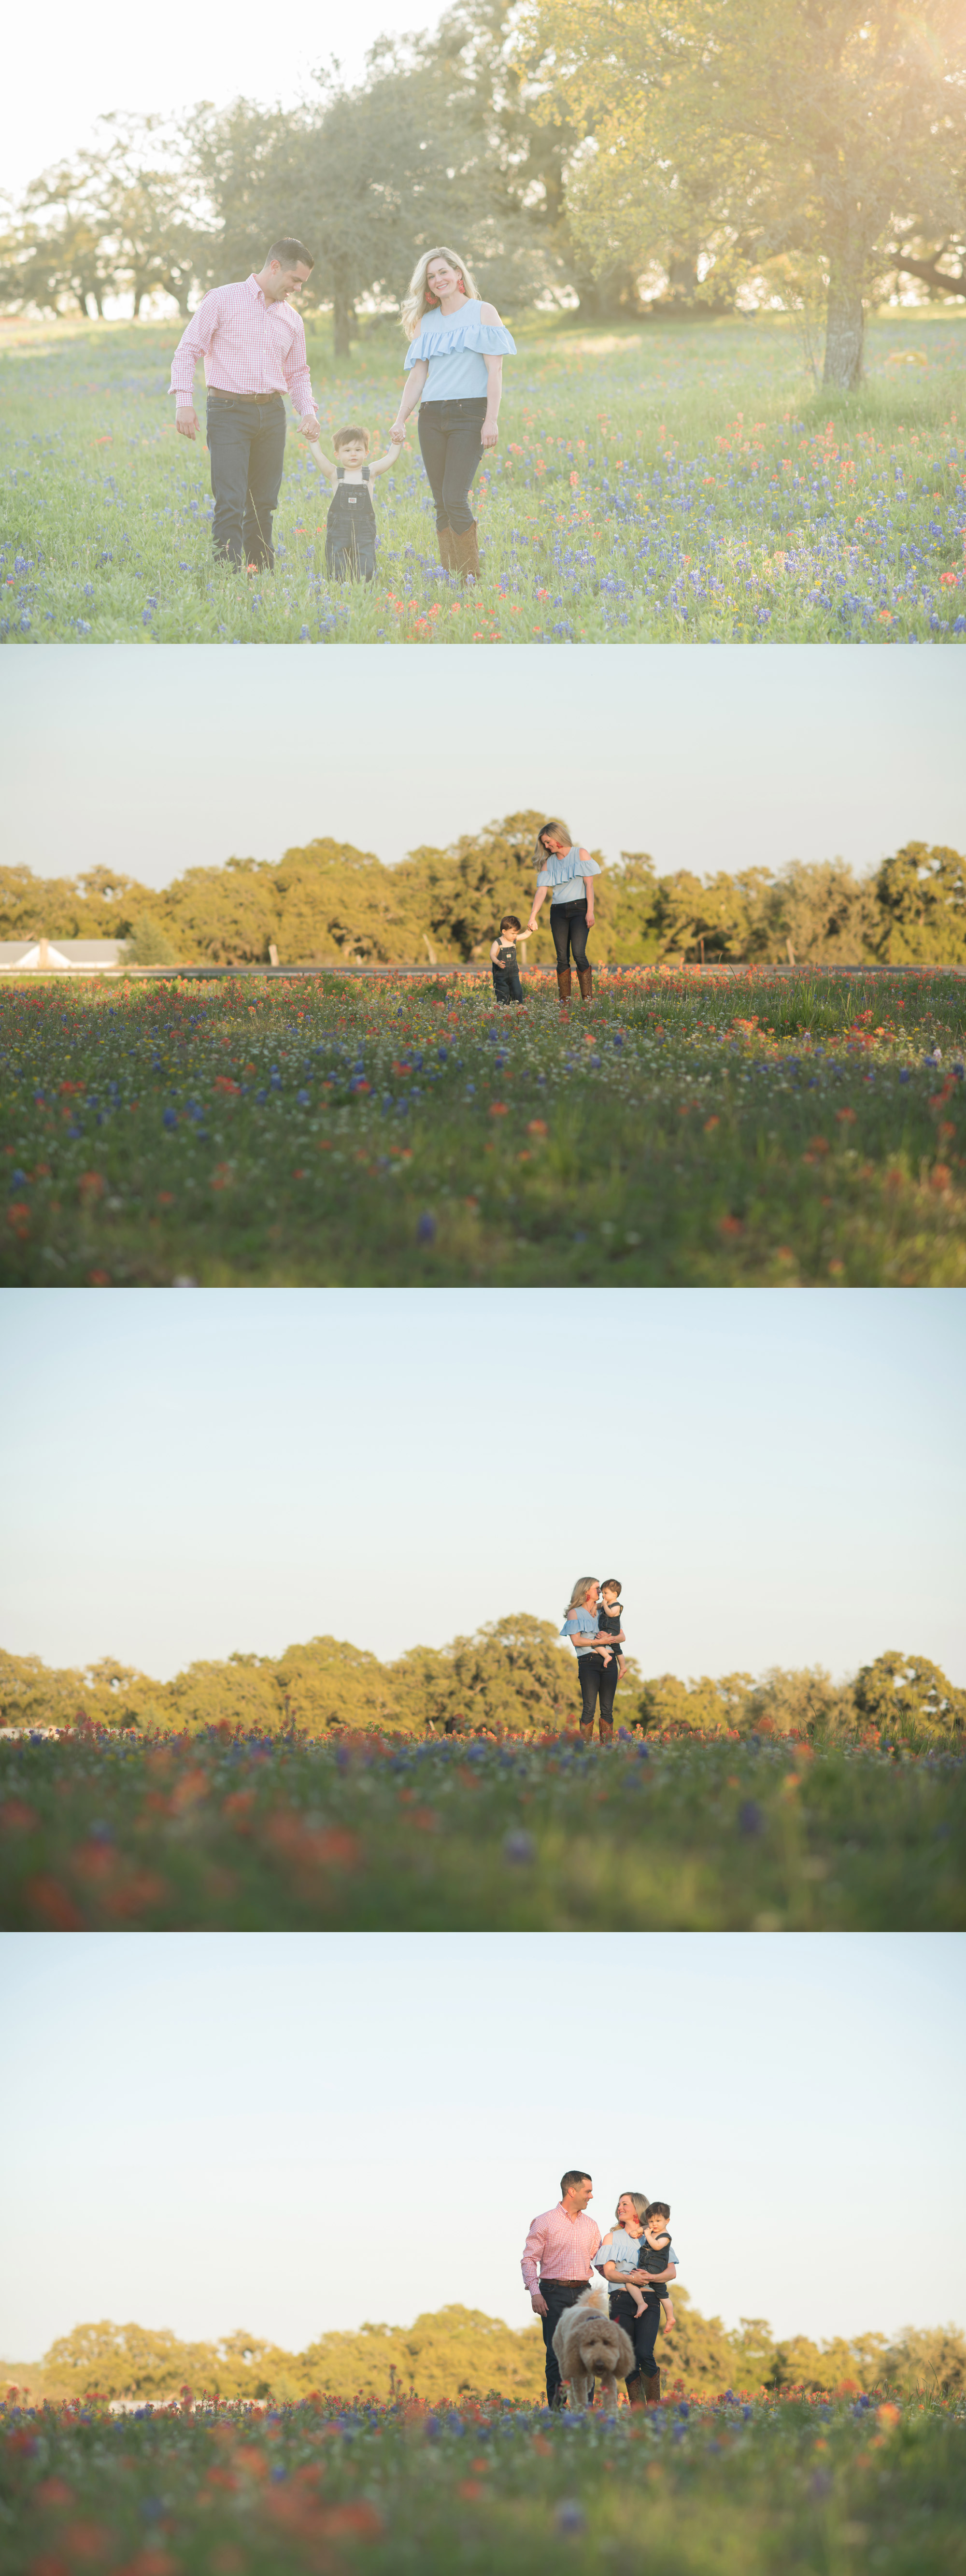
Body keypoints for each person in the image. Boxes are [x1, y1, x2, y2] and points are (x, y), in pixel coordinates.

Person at [169, 240, 319, 571]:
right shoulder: (222, 299)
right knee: (231, 501)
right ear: (276, 266)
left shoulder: (292, 320)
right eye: (296, 280)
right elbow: (187, 350)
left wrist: (307, 410)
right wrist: (184, 402)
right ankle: (227, 575)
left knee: (263, 503)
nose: (297, 288)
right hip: (228, 412)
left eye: (302, 284)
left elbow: (298, 372)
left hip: (272, 414)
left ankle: (260, 572)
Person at [390, 246, 516, 584]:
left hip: (470, 414)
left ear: (459, 274)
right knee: (440, 502)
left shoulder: (483, 312)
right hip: (432, 416)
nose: (438, 280)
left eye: (444, 272)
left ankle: (470, 578)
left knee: (455, 497)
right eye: (431, 277)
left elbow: (496, 370)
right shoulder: (425, 324)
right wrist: (400, 418)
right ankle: (450, 575)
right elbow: (417, 377)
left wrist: (492, 419)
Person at [521, 2171, 602, 2410]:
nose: (592, 2196)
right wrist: (535, 2293)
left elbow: (600, 2262)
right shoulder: (544, 2221)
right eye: (588, 2191)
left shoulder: (592, 2225)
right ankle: (557, 2412)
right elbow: (529, 2260)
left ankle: (585, 2410)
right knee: (557, 2354)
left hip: (584, 2294)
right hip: (552, 2293)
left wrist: (627, 2277)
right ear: (572, 2191)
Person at [595, 2192, 679, 2407]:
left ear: (638, 2208)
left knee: (644, 2352)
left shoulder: (655, 2235)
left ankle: (654, 2407)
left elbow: (671, 2273)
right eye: (619, 2204)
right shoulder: (611, 2238)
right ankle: (638, 2410)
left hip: (650, 2300)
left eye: (625, 2204)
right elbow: (609, 2272)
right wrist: (631, 2278)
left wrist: (651, 2278)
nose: (620, 2207)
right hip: (620, 2299)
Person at [309, 424, 405, 582]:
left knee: (366, 562)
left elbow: (390, 458)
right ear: (337, 454)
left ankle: (365, 590)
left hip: (364, 532)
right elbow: (319, 456)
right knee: (336, 560)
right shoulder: (335, 474)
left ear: (366, 453)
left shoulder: (371, 472)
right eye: (347, 450)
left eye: (358, 450)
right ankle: (339, 590)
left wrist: (396, 442)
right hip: (339, 530)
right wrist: (313, 440)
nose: (353, 454)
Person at [525, 822, 601, 1005]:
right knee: (561, 958)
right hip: (558, 911)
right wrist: (533, 915)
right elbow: (542, 891)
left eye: (548, 842)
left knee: (579, 953)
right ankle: (565, 1003)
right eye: (544, 844)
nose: (546, 846)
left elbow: (589, 885)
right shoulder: (548, 863)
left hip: (580, 909)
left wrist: (590, 912)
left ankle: (588, 1001)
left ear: (558, 837)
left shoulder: (580, 854)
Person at [561, 1577, 620, 1744]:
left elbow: (622, 1635)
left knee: (608, 1710)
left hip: (610, 1662)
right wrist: (599, 1642)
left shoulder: (605, 1611)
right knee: (589, 1709)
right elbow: (577, 1641)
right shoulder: (574, 1613)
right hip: (588, 1662)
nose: (600, 1591)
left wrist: (610, 1639)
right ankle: (584, 1749)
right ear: (586, 1591)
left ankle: (607, 1749)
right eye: (597, 1588)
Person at [620, 2204, 677, 2335]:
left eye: (658, 2221)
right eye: (651, 2221)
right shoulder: (652, 2229)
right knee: (663, 2296)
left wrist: (648, 2235)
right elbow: (645, 2228)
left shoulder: (665, 2236)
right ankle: (670, 2318)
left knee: (630, 2281)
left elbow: (657, 2247)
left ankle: (641, 2304)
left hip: (652, 2267)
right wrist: (638, 2231)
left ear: (667, 2221)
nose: (654, 2225)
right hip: (654, 2270)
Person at [490, 915, 525, 1005]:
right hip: (501, 975)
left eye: (517, 933)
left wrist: (530, 930)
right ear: (504, 932)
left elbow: (525, 935)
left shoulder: (513, 941)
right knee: (503, 994)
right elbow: (492, 955)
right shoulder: (498, 943)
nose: (515, 936)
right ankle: (505, 1010)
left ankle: (519, 1008)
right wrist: (497, 962)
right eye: (513, 933)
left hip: (514, 974)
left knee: (517, 991)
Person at [595, 1580, 625, 1681]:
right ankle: (620, 1666)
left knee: (598, 1643)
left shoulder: (617, 1605)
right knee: (616, 1649)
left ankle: (622, 1667)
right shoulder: (606, 1603)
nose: (603, 1596)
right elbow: (596, 1606)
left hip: (612, 1630)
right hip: (606, 1629)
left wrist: (604, 1605)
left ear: (615, 1594)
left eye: (606, 1593)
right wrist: (593, 1608)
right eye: (602, 1593)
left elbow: (611, 1614)